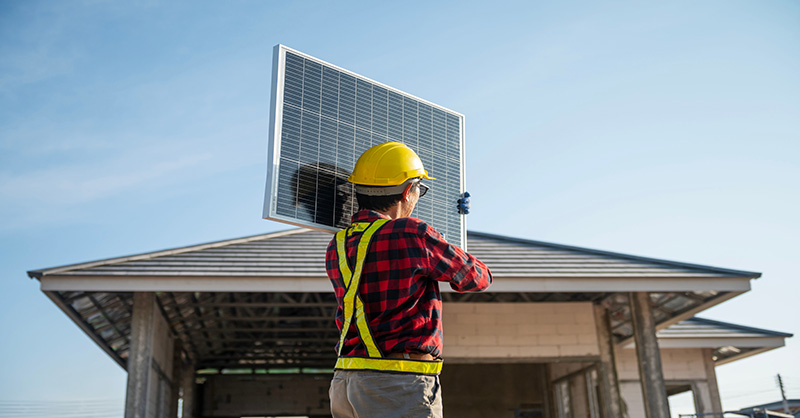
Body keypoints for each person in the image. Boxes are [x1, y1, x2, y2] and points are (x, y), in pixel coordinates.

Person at [326, 141, 493, 418]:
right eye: (420, 189)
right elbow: (477, 277)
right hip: (397, 383)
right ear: (407, 191)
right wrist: (456, 226)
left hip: (346, 380)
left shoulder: (338, 244)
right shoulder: (411, 233)